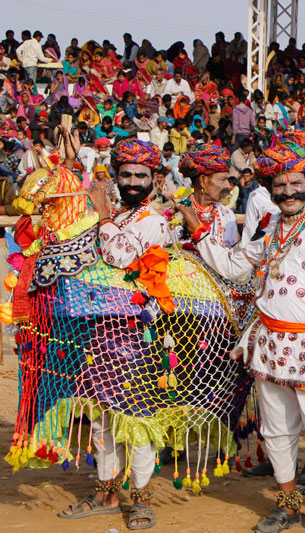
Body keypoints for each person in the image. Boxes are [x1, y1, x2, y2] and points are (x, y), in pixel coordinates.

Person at [174, 142, 305, 533]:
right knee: (276, 433)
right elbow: (236, 266)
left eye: (295, 183)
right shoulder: (269, 226)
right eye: (280, 185)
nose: (288, 192)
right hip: (269, 345)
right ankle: (287, 507)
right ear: (270, 190)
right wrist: (199, 230)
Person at [59, 139, 169, 530]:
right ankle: (106, 492)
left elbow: (121, 257)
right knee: (103, 417)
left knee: (137, 419)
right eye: (127, 174)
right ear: (117, 177)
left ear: (154, 179)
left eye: (142, 175)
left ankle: (140, 499)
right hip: (101, 331)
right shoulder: (116, 215)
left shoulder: (152, 220)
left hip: (139, 334)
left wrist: (103, 214)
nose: (134, 181)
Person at [178, 144, 239, 247]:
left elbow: (232, 255)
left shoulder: (227, 215)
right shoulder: (177, 214)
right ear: (203, 181)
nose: (228, 186)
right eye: (223, 179)